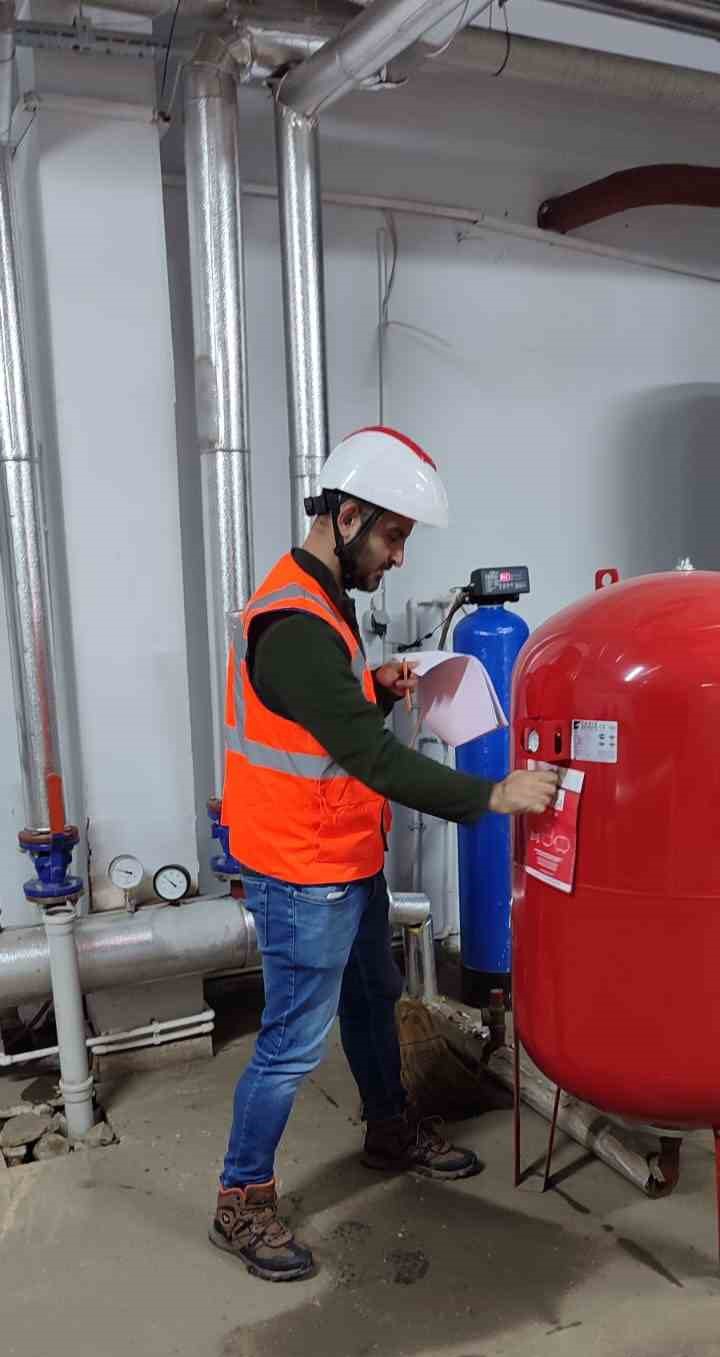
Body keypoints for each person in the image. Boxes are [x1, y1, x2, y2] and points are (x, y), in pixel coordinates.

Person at [210, 427, 558, 1282]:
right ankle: (240, 1198)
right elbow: (370, 758)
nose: (399, 557)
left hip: (344, 856)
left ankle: (389, 1129)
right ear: (348, 516)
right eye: (394, 536)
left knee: (374, 997)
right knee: (292, 1044)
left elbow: (317, 718)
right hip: (303, 873)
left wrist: (374, 684)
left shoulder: (321, 601)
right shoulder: (295, 622)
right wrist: (491, 795)